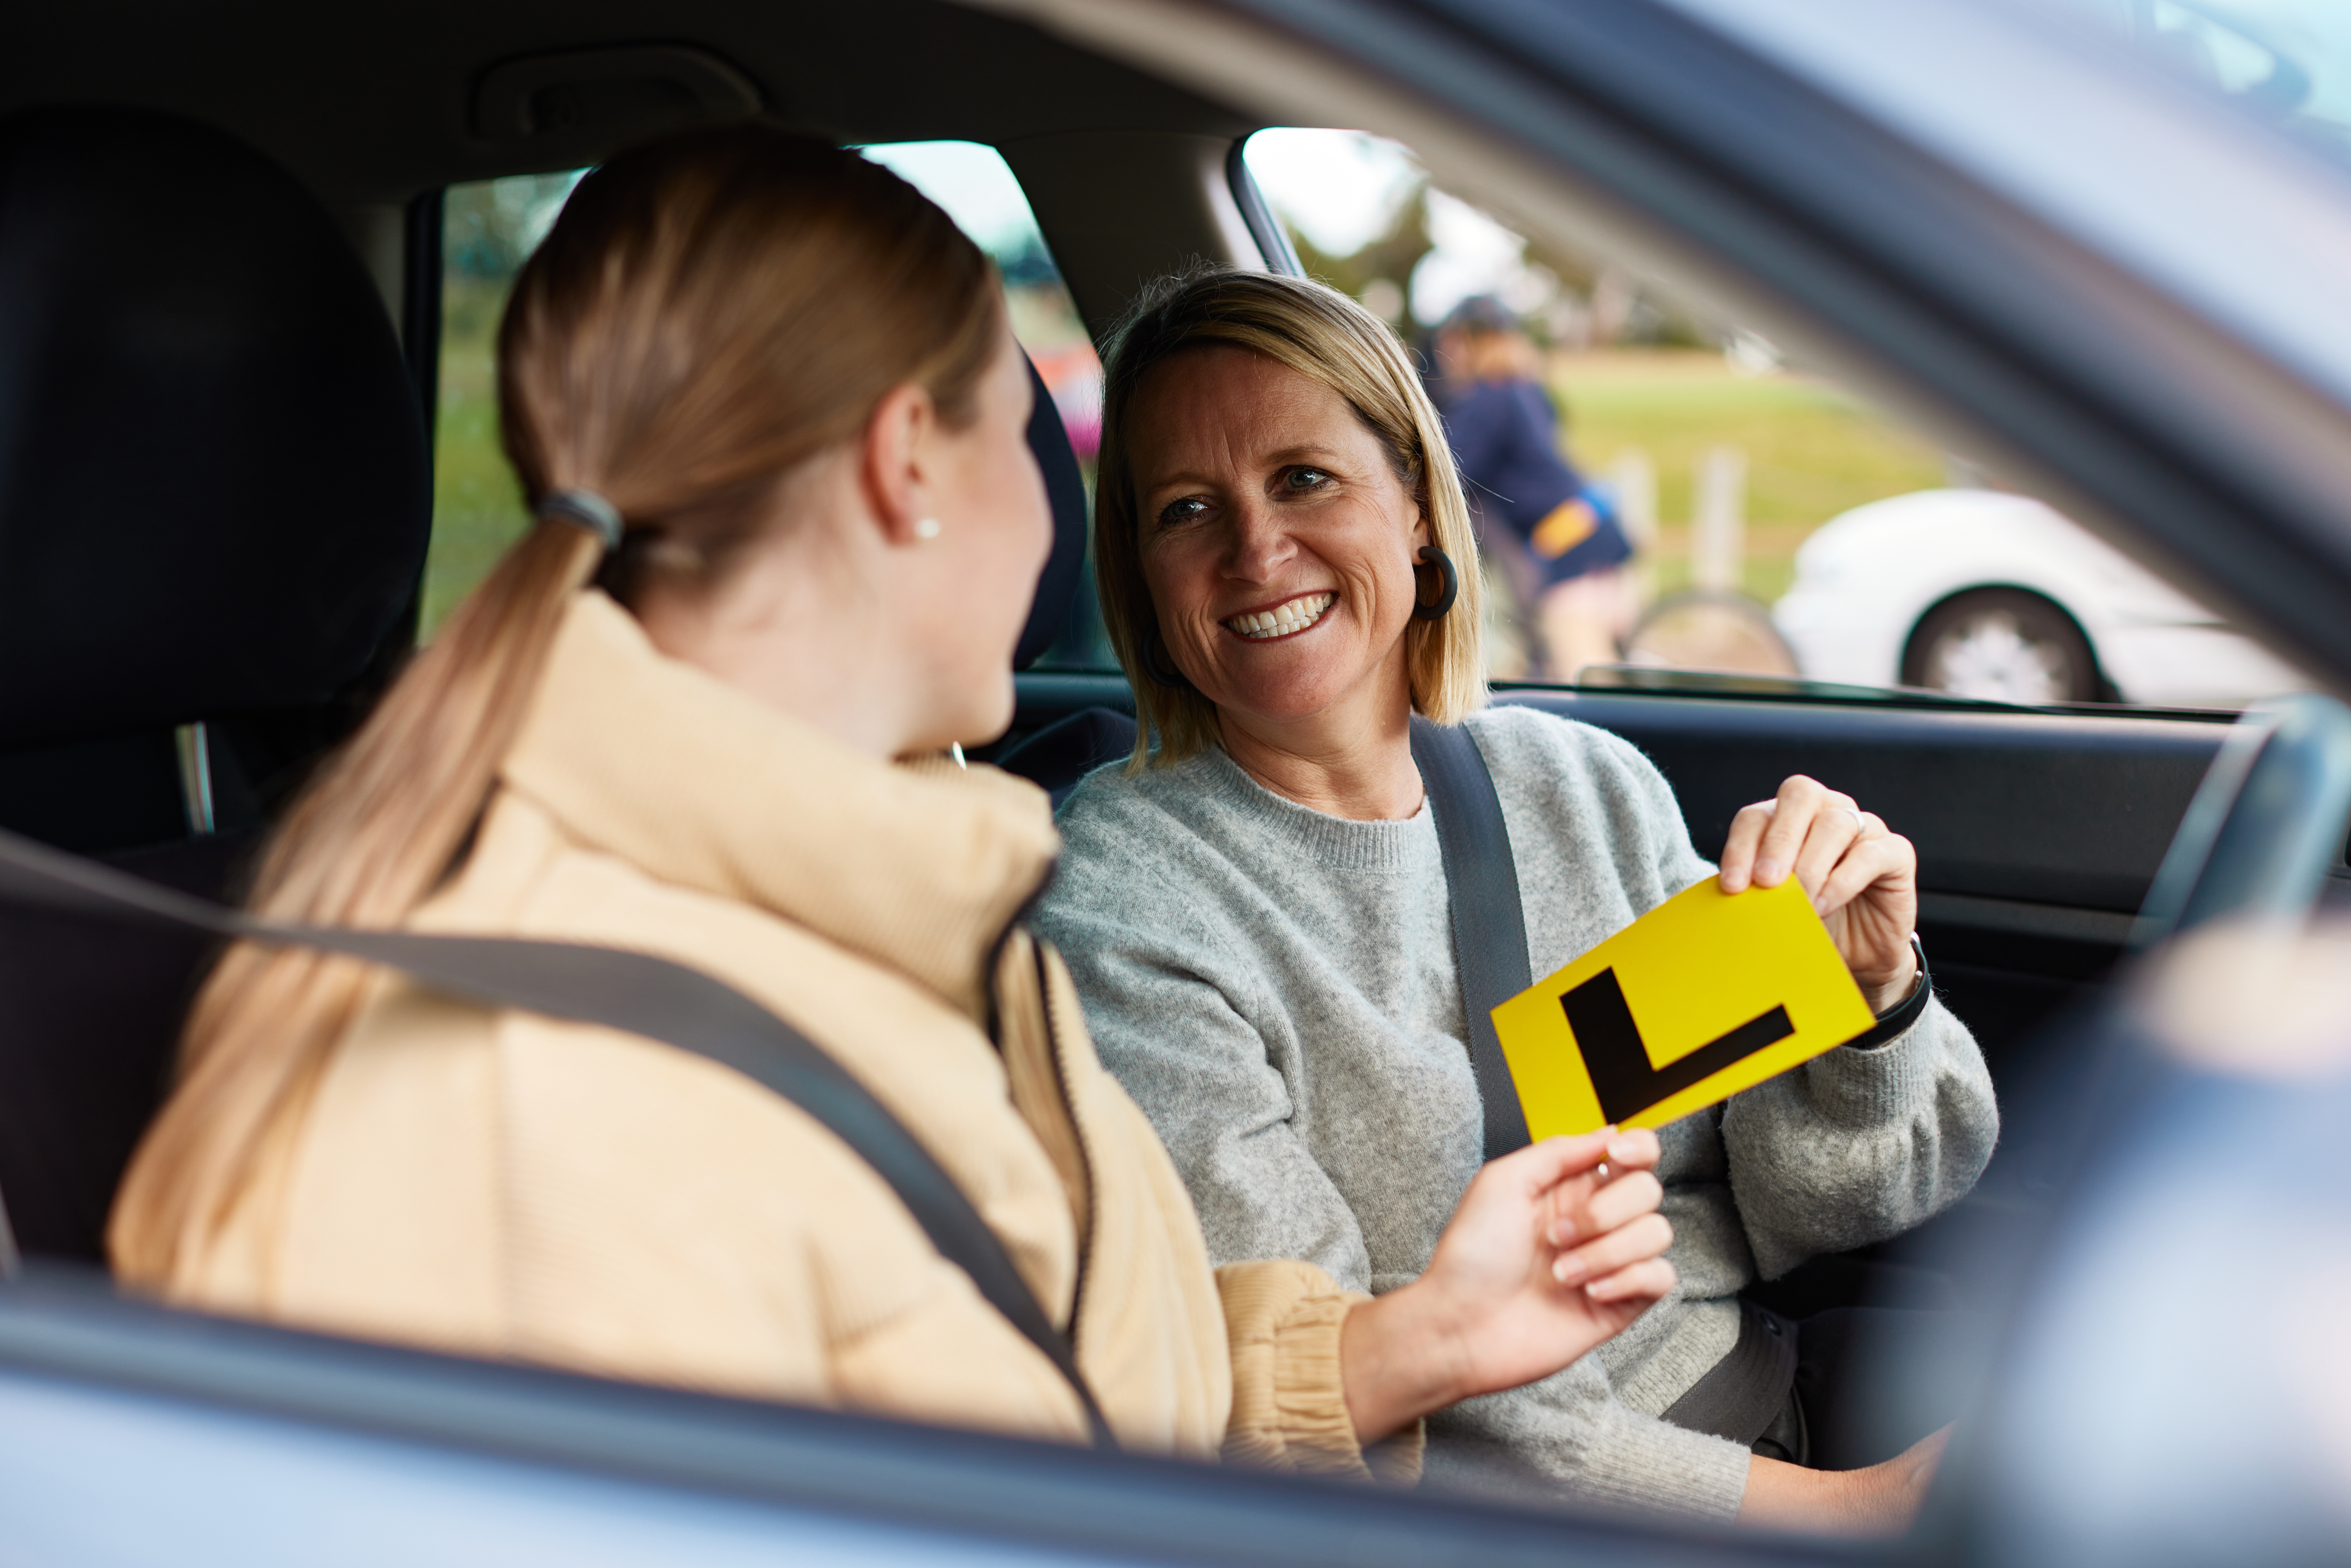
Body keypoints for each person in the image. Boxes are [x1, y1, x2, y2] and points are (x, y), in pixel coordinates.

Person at [103, 127, 1682, 1474]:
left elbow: (1071, 1384)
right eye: (1031, 434)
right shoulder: (551, 1079)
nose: (1076, 511)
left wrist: (1418, 1339)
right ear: (907, 466)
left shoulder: (921, 884)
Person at [1034, 268, 1998, 1530]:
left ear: (1419, 511)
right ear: (1144, 578)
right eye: (1185, 509)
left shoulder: (1577, 786)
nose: (1255, 549)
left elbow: (1810, 1207)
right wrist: (1849, 1515)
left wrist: (1866, 1000)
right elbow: (1338, 1399)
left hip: (1761, 1383)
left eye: (1305, 479)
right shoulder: (1122, 897)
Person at [1429, 295, 1633, 681]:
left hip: (1569, 544)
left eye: (1452, 341)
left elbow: (1448, 472)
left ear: (1472, 343)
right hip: (1593, 522)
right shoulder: (1528, 388)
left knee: (1588, 683)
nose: (1445, 352)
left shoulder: (1489, 398)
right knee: (1586, 667)